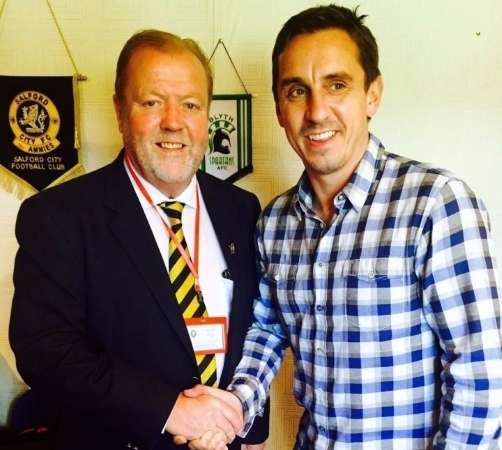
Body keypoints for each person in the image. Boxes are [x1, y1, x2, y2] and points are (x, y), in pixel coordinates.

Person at [181, 4, 502, 449]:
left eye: (337, 85)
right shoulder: (274, 223)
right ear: (279, 108)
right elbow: (268, 330)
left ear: (373, 94)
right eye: (297, 90)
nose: (316, 111)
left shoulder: (435, 203)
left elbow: (480, 372)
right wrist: (235, 406)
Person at [9, 29, 268, 450]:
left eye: (190, 105)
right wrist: (170, 409)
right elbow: (46, 353)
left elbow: (256, 327)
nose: (173, 121)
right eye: (151, 102)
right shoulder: (59, 216)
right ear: (119, 110)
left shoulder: (241, 208)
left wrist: (248, 430)